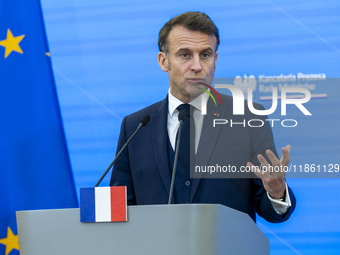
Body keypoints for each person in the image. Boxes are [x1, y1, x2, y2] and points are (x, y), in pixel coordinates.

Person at [110, 11, 296, 223]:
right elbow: (121, 207)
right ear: (164, 61)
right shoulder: (136, 126)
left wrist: (276, 192)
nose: (197, 66)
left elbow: (270, 209)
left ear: (215, 60)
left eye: (205, 55)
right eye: (185, 55)